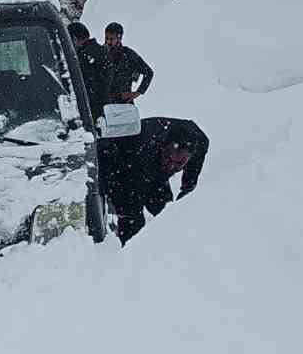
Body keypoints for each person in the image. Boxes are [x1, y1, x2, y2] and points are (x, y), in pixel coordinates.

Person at [107, 115, 210, 245]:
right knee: (132, 218)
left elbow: (189, 185)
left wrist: (182, 206)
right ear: (163, 146)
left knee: (167, 211)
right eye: (168, 158)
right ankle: (127, 254)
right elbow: (135, 188)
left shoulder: (200, 144)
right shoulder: (145, 143)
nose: (172, 166)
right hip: (122, 162)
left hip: (152, 165)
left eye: (179, 163)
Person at [68, 20, 111, 124]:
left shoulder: (82, 56)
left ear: (74, 39)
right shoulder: (102, 52)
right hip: (104, 111)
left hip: (90, 112)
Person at [103, 21, 154, 101]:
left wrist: (138, 92)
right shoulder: (99, 53)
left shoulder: (129, 55)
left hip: (123, 104)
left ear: (119, 38)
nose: (108, 42)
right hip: (102, 103)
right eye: (107, 38)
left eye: (112, 39)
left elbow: (149, 72)